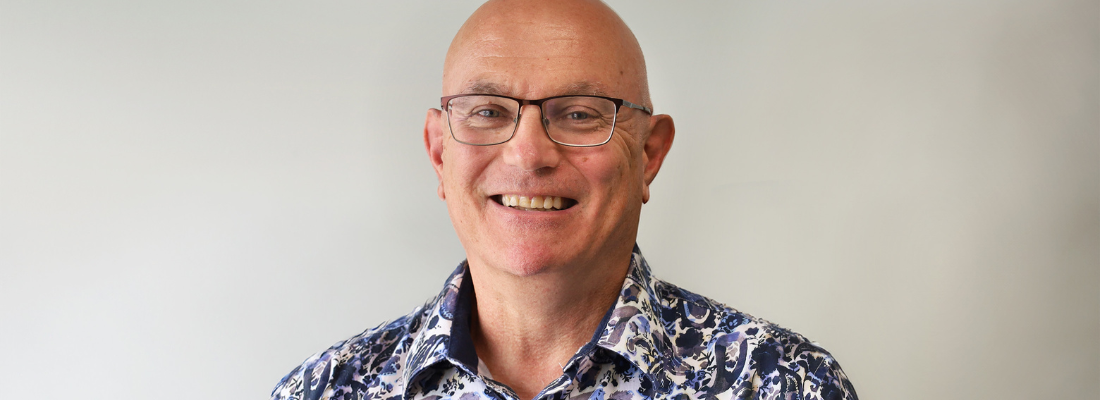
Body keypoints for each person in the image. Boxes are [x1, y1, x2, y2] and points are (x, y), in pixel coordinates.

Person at [271, 1, 857, 399]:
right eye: (488, 111)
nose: (529, 155)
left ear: (650, 153)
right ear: (438, 152)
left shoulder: (784, 384)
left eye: (579, 114)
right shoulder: (322, 391)